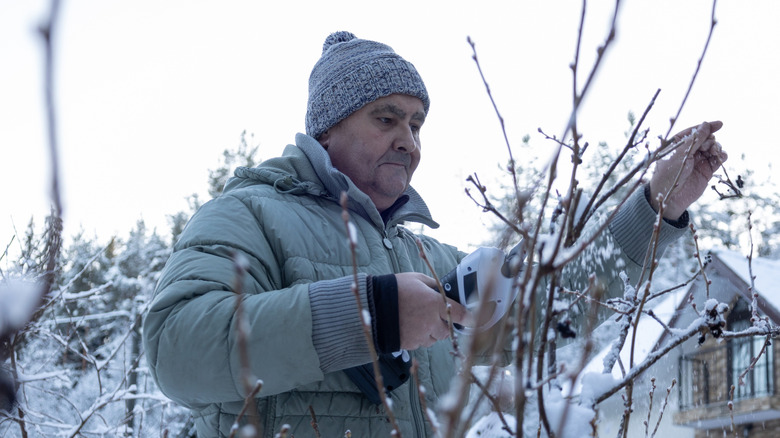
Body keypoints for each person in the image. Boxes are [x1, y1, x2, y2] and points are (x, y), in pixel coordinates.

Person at [142, 31, 727, 437]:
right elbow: (176, 350)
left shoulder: (426, 255)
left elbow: (545, 306)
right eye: (385, 117)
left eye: (416, 123)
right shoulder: (248, 215)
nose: (409, 139)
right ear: (325, 131)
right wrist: (373, 314)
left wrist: (657, 205)